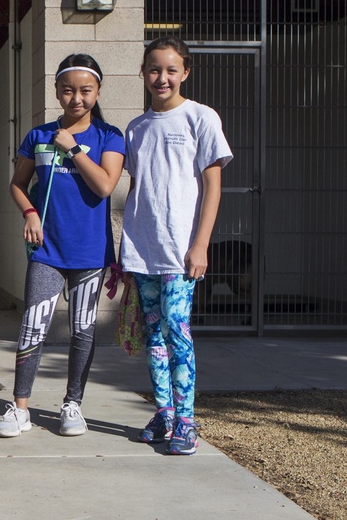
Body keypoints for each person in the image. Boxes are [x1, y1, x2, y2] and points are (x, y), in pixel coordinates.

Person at [0, 54, 125, 438]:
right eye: (68, 91)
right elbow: (17, 185)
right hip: (48, 251)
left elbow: (104, 186)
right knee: (33, 325)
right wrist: (30, 213)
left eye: (85, 91)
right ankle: (20, 409)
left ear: (97, 91)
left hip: (90, 252)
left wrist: (73, 148)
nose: (76, 99)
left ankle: (73, 405)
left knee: (82, 329)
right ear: (56, 91)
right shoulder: (37, 136)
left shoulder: (109, 136)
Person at [119, 36, 232, 455]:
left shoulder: (201, 118)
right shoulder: (136, 128)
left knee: (177, 331)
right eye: (154, 69)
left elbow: (213, 187)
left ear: (185, 72)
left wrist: (200, 245)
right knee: (152, 335)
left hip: (181, 251)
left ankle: (187, 420)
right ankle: (164, 413)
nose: (161, 77)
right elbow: (136, 189)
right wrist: (124, 249)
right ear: (143, 73)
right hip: (142, 249)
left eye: (170, 69)